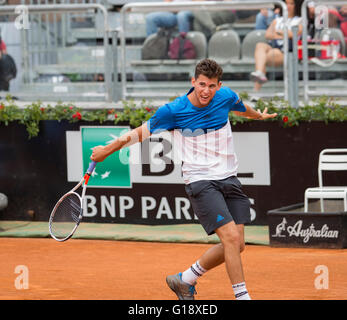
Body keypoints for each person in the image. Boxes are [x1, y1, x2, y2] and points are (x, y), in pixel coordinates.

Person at [90, 58, 277, 300]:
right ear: (193, 82)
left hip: (229, 178)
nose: (205, 91)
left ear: (219, 86)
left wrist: (258, 116)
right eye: (201, 85)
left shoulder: (226, 96)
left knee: (237, 244)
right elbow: (138, 134)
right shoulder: (173, 111)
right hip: (200, 181)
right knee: (230, 238)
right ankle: (243, 297)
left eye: (211, 86)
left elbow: (243, 108)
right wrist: (107, 150)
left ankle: (185, 279)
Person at [250, 0, 304, 92]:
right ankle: (259, 73)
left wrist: (278, 33)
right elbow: (267, 34)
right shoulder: (278, 19)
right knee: (260, 45)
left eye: (291, 3)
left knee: (266, 56)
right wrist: (283, 34)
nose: (288, 6)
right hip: (275, 46)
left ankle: (256, 90)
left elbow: (295, 34)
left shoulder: (300, 20)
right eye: (286, 3)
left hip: (288, 51)